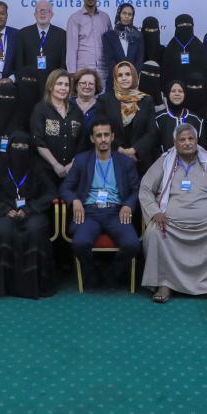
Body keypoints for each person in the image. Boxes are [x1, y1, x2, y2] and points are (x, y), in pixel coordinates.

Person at [139, 124, 207, 303]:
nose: (187, 143)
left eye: (191, 139)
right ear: (175, 143)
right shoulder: (164, 162)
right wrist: (155, 212)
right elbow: (145, 189)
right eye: (182, 140)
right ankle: (164, 284)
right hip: (170, 223)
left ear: (197, 141)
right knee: (154, 233)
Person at [61, 119, 141, 289]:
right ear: (92, 139)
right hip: (89, 213)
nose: (103, 139)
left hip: (116, 212)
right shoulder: (82, 160)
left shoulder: (125, 162)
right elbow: (65, 188)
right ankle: (93, 274)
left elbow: (136, 190)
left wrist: (128, 204)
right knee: (79, 244)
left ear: (112, 137)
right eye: (99, 136)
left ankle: (112, 275)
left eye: (106, 135)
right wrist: (75, 200)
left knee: (132, 244)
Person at [0, 130, 57, 298]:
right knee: (3, 232)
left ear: (30, 148)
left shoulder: (37, 167)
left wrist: (29, 209)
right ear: (9, 147)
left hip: (31, 211)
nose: (19, 149)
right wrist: (3, 208)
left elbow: (51, 192)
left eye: (24, 146)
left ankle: (34, 286)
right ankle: (3, 286)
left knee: (35, 231)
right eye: (16, 146)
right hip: (3, 212)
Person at [31, 69, 86, 192]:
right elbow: (38, 141)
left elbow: (81, 143)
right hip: (46, 171)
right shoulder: (41, 109)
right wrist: (55, 165)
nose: (63, 88)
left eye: (66, 85)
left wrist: (71, 165)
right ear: (51, 86)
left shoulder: (76, 111)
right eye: (59, 84)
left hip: (71, 171)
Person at [104, 61, 157, 169]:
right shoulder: (105, 100)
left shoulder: (146, 100)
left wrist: (134, 150)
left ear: (134, 76)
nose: (124, 78)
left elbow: (151, 132)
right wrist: (121, 150)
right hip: (113, 157)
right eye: (120, 75)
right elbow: (102, 129)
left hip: (140, 159)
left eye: (128, 74)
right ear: (115, 78)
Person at [14, 0, 66, 92]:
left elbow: (63, 62)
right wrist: (21, 81)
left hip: (53, 83)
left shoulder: (62, 34)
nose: (42, 13)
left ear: (51, 14)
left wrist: (61, 81)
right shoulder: (23, 33)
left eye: (45, 11)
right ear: (34, 15)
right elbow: (19, 62)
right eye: (39, 11)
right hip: (29, 83)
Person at [64, 0, 110, 78]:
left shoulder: (105, 18)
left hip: (103, 71)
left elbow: (111, 45)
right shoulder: (74, 19)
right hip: (82, 72)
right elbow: (71, 50)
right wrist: (72, 74)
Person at [160, 13, 207, 92]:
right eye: (181, 25)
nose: (185, 27)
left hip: (196, 89)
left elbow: (204, 70)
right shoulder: (170, 47)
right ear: (176, 27)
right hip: (175, 90)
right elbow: (166, 71)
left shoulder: (199, 46)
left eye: (187, 25)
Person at [100, 2, 143, 85]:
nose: (127, 16)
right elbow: (109, 60)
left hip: (132, 82)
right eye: (124, 13)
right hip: (114, 81)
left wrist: (131, 77)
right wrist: (120, 76)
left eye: (130, 14)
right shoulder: (108, 36)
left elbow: (139, 60)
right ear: (119, 14)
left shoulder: (138, 36)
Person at [154, 79, 202, 149]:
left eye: (180, 91)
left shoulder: (197, 120)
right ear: (168, 94)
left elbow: (202, 148)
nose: (177, 94)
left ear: (185, 94)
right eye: (173, 91)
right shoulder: (158, 119)